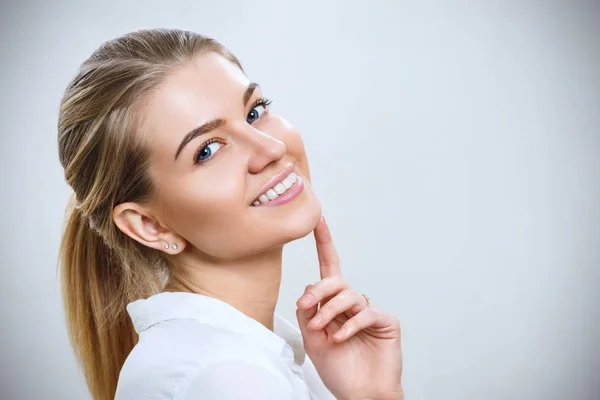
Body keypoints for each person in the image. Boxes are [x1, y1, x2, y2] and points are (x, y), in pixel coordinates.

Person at [57, 28, 403, 400]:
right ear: (150, 225)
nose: (270, 147)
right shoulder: (226, 377)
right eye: (207, 150)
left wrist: (374, 396)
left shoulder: (234, 358)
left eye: (254, 111)